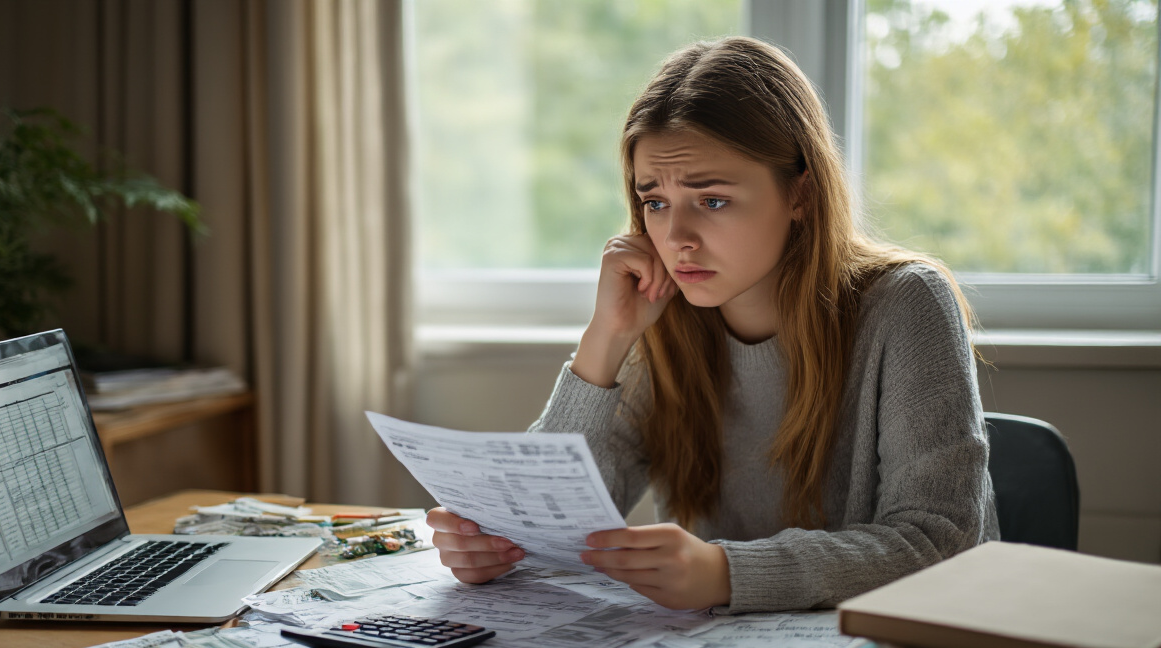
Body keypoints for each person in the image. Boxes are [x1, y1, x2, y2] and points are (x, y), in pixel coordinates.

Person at [426, 36, 998, 613]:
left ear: (800, 192)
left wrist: (729, 573)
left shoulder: (906, 303)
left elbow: (937, 540)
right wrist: (604, 339)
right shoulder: (666, 317)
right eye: (654, 202)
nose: (676, 239)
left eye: (713, 200)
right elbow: (552, 517)